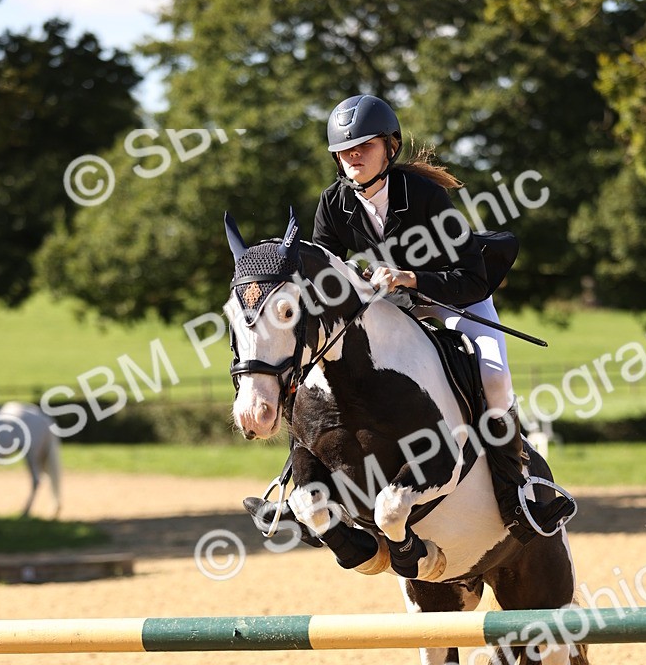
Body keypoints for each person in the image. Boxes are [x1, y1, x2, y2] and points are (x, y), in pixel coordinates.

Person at [245, 93, 575, 545]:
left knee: (495, 378)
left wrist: (410, 277)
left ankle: (517, 490)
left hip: (452, 296)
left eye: (363, 146)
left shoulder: (425, 196)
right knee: (310, 368)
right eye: (343, 150)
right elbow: (324, 277)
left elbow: (471, 279)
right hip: (388, 307)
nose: (352, 156)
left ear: (391, 147)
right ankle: (291, 489)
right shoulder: (333, 202)